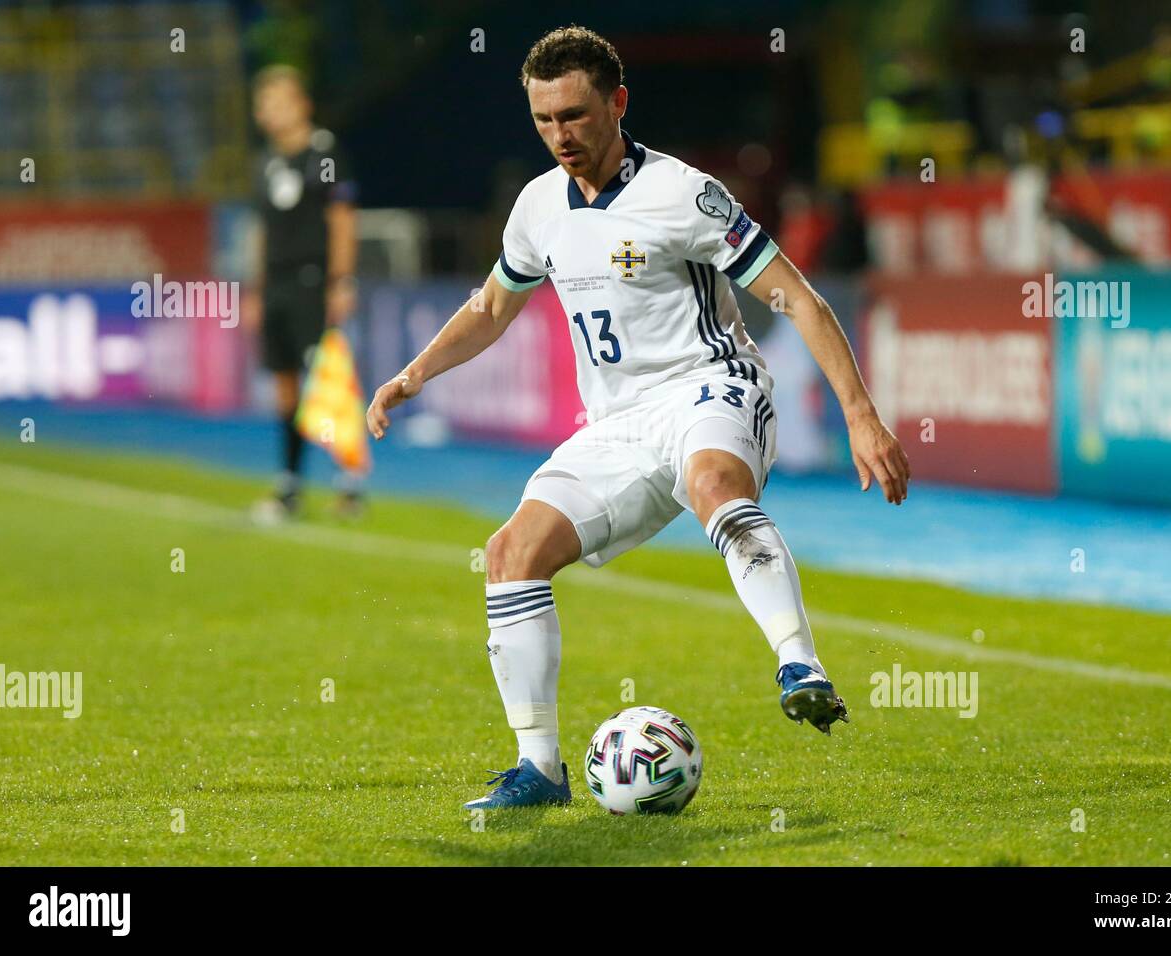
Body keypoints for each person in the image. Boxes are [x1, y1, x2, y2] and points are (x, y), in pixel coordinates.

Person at [365, 27, 910, 809]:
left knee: (714, 483)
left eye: (576, 116)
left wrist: (861, 416)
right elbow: (490, 308)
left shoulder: (684, 193)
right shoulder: (537, 207)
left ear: (617, 103)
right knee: (510, 553)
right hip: (615, 425)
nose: (561, 136)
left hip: (709, 386)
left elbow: (798, 296)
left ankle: (799, 663)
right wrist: (412, 375)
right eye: (545, 120)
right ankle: (540, 771)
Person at [245, 64, 362, 521]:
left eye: (281, 101)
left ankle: (349, 484)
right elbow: (261, 230)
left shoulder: (323, 152)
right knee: (285, 386)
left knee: (324, 381)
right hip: (276, 284)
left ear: (302, 104)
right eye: (265, 103)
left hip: (314, 280)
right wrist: (255, 290)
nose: (272, 111)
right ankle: (290, 485)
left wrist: (341, 279)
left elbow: (343, 217)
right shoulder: (266, 163)